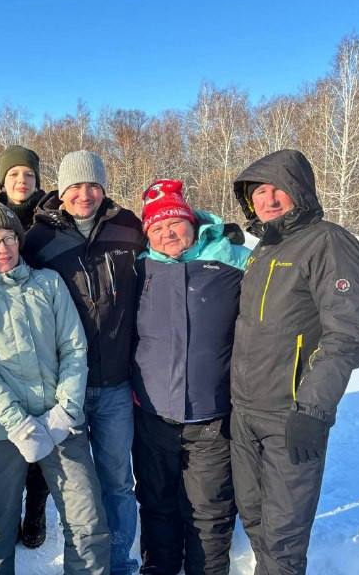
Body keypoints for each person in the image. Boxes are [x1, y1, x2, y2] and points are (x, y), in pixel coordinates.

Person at [230, 149, 359, 574]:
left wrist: (313, 406)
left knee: (283, 538)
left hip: (290, 414)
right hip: (245, 411)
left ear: (301, 191)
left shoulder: (327, 241)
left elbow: (351, 335)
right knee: (255, 518)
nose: (268, 199)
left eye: (279, 189)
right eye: (258, 192)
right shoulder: (263, 249)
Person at [0, 201, 110, 574]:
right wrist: (17, 423)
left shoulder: (48, 284)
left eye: (8, 238)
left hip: (60, 419)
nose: (2, 248)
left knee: (87, 521)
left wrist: (65, 411)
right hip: (2, 428)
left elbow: (73, 348)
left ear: (19, 241)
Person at [24, 150, 144, 575]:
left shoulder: (128, 227)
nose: (84, 194)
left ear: (103, 188)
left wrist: (210, 230)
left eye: (92, 185)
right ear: (62, 190)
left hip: (115, 384)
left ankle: (120, 563)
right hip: (65, 387)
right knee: (78, 489)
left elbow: (174, 241)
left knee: (117, 483)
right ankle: (87, 564)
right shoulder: (38, 240)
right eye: (75, 186)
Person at [132, 179, 250, 575]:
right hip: (152, 416)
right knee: (157, 502)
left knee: (209, 511)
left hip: (212, 417)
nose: (168, 233)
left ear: (192, 222)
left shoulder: (232, 260)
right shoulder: (140, 267)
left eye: (175, 223)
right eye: (157, 227)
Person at [0, 144, 50, 548]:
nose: (21, 180)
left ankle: (35, 512)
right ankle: (5, 511)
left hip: (44, 329)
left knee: (42, 429)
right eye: (13, 174)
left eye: (28, 174)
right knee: (4, 435)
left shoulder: (53, 217)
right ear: (3, 181)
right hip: (0, 336)